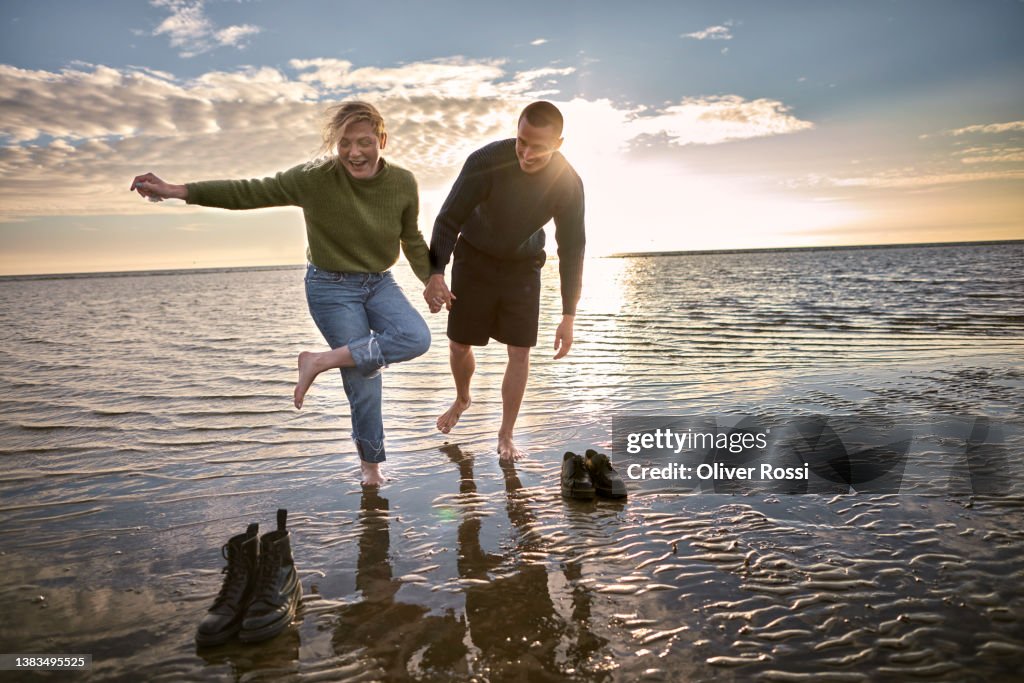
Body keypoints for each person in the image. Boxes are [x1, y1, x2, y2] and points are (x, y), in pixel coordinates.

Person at [130, 102, 432, 486]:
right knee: (364, 375)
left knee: (416, 337)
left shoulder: (402, 183)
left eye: (364, 142)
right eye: (344, 144)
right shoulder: (315, 178)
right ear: (334, 145)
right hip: (331, 286)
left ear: (381, 140)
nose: (354, 153)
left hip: (378, 282)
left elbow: (412, 238)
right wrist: (176, 190)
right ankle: (371, 469)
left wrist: (431, 278)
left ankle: (319, 361)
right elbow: (249, 191)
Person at [424, 101, 585, 462]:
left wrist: (568, 314)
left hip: (522, 264)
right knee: (458, 345)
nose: (526, 154)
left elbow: (573, 247)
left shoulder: (568, 183)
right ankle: (463, 397)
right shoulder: (486, 162)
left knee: (519, 351)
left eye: (538, 147)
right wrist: (436, 273)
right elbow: (448, 219)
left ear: (558, 143)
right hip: (475, 257)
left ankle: (506, 433)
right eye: (520, 142)